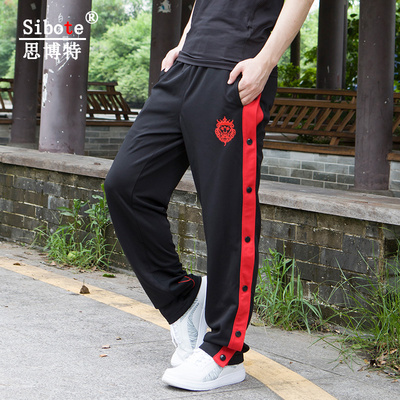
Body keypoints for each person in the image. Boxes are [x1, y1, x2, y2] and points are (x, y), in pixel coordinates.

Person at [104, 0, 314, 391]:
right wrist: (185, 41)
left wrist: (265, 61)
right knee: (126, 185)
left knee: (227, 213)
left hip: (235, 71)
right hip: (186, 67)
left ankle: (225, 351)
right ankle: (183, 300)